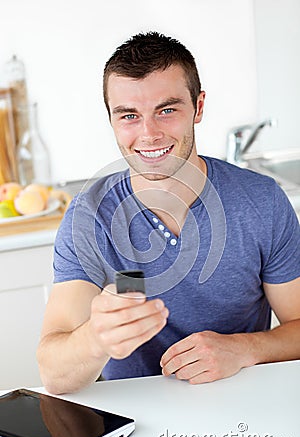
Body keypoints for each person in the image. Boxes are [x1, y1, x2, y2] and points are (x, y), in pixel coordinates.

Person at [37, 32, 300, 395]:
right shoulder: (91, 216)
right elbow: (53, 373)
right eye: (129, 115)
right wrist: (96, 339)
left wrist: (245, 348)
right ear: (112, 120)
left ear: (199, 106)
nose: (149, 134)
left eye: (167, 110)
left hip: (242, 400)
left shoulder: (262, 202)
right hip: (135, 416)